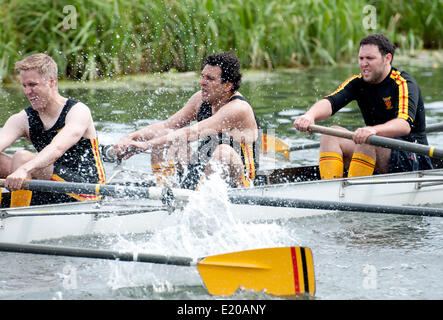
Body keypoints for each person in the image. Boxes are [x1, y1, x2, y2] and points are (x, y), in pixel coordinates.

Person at [293, 34, 433, 179]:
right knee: (330, 135)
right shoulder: (358, 82)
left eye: (370, 59)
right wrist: (309, 115)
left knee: (367, 140)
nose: (363, 64)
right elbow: (331, 101)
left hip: (413, 157)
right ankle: (332, 190)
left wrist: (373, 130)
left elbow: (404, 125)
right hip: (375, 147)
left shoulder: (403, 83)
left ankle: (349, 192)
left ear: (387, 59)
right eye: (361, 58)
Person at [114, 52, 259, 189]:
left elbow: (191, 132)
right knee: (165, 137)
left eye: (210, 79)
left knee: (223, 152)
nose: (202, 82)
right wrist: (130, 137)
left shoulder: (238, 108)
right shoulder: (200, 99)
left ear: (228, 85)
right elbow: (167, 125)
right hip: (204, 167)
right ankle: (167, 193)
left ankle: (198, 197)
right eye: (202, 76)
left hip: (240, 177)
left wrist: (145, 145)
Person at [0, 53, 106, 207]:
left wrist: (24, 169)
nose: (27, 92)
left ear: (51, 82)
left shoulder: (77, 111)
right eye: (24, 86)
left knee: (22, 157)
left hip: (86, 190)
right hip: (49, 185)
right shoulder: (22, 119)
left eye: (33, 85)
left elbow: (57, 148)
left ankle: (15, 216)